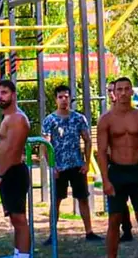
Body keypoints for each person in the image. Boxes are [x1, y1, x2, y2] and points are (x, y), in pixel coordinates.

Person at [96, 76, 138, 258]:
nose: (123, 93)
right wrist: (105, 180)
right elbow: (101, 152)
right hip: (117, 172)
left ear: (131, 91)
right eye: (119, 89)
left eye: (126, 89)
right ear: (114, 93)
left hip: (137, 171)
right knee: (114, 220)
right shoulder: (106, 119)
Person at [41, 85, 101, 244]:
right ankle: (52, 235)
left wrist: (87, 163)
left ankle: (89, 231)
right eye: (60, 97)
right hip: (59, 168)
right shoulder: (50, 120)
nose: (63, 100)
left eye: (66, 96)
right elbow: (44, 145)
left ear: (70, 98)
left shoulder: (79, 118)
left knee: (83, 198)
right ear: (55, 99)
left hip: (77, 165)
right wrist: (51, 166)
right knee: (56, 201)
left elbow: (87, 140)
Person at [0, 80, 32, 258]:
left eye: (4, 93)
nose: (0, 97)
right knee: (15, 219)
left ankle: (23, 255)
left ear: (13, 95)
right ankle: (18, 254)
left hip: (13, 172)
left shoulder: (18, 119)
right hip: (7, 172)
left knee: (20, 219)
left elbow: (14, 151)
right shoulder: (8, 118)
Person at [106, 80, 134, 242]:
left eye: (112, 90)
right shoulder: (107, 114)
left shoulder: (131, 113)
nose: (111, 94)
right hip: (112, 163)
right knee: (117, 201)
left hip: (129, 163)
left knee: (124, 199)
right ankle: (123, 228)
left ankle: (127, 228)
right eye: (109, 91)